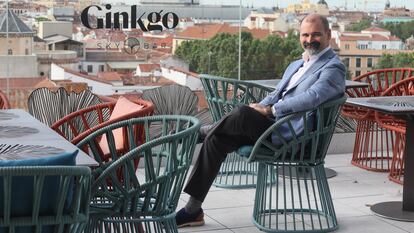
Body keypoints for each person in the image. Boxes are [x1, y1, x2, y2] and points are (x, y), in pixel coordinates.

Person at [175, 13, 346, 228]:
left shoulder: (333, 68)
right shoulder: (296, 65)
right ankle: (193, 210)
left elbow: (313, 97)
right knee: (218, 139)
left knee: (241, 114)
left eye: (316, 35)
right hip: (273, 127)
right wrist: (259, 106)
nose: (309, 40)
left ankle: (199, 132)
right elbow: (276, 95)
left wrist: (269, 109)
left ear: (329, 35)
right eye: (305, 35)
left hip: (293, 137)